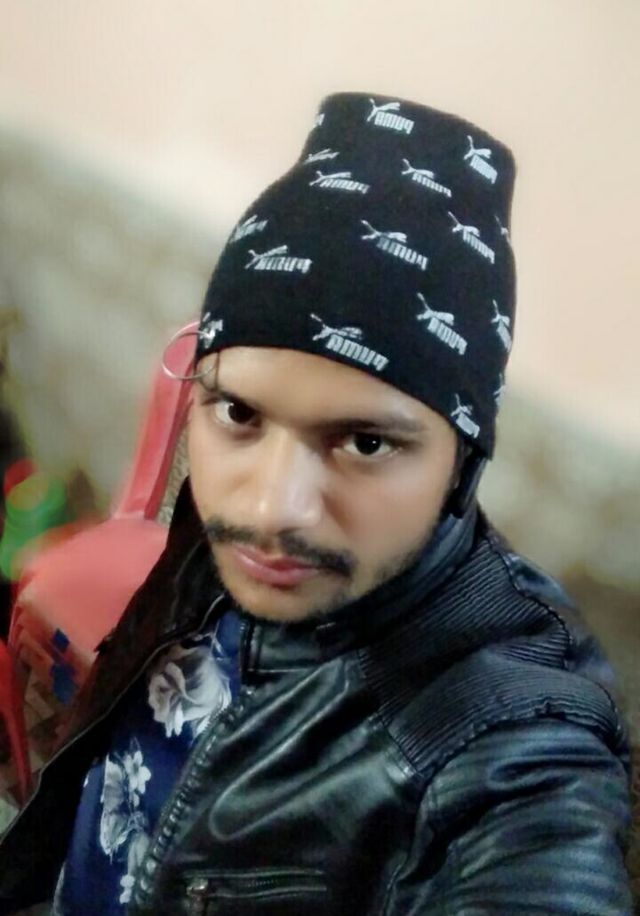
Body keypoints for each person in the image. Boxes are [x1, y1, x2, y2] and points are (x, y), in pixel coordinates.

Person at [0, 92, 633, 914]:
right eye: (239, 414)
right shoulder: (219, 534)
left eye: (365, 443)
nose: (272, 508)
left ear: (462, 462)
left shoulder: (506, 736)